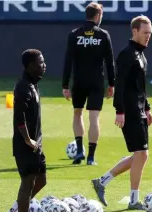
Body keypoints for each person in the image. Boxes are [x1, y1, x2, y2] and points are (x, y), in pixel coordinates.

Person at [91, 15, 152, 210]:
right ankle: (134, 201)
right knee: (141, 154)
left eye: (150, 33)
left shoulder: (140, 54)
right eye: (145, 33)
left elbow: (139, 87)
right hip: (130, 110)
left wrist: (148, 107)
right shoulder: (127, 54)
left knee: (140, 155)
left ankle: (102, 181)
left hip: (140, 109)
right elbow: (120, 84)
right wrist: (119, 111)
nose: (148, 36)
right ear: (134, 31)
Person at [0, 49, 47, 212]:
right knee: (27, 183)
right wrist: (28, 140)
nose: (44, 65)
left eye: (43, 62)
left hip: (36, 144)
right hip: (26, 146)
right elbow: (19, 118)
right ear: (29, 66)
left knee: (42, 180)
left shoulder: (33, 85)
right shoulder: (23, 88)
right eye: (40, 63)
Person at [61, 2, 116, 165]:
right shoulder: (103, 35)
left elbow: (68, 61)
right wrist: (111, 84)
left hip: (78, 82)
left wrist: (65, 85)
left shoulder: (74, 34)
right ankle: (91, 157)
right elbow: (109, 63)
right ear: (98, 16)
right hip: (96, 82)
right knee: (94, 118)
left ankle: (79, 152)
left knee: (77, 114)